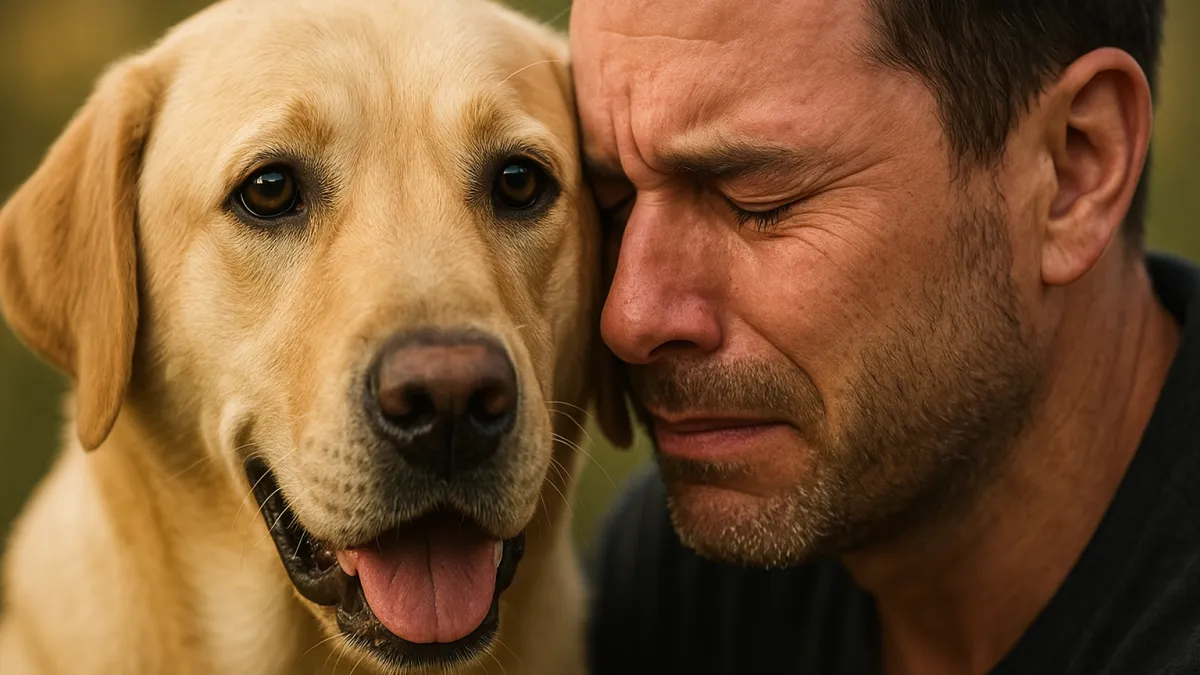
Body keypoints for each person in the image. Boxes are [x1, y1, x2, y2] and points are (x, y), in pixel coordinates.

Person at [569, 0, 1200, 673]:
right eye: (611, 201)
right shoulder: (682, 595)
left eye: (757, 199)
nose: (630, 316)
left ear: (1073, 168)